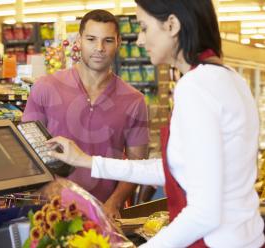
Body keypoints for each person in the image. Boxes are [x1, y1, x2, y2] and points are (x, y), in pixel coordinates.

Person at [46, 0, 265, 247]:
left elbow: (204, 214)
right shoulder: (229, 78)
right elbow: (177, 169)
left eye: (144, 27)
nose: (139, 40)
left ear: (171, 25)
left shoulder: (196, 87)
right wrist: (84, 160)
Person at [22, 10, 149, 218]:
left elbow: (137, 166)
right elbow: (27, 152)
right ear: (79, 40)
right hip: (51, 213)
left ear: (118, 42)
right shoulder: (45, 87)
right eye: (91, 39)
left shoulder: (134, 100)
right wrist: (48, 191)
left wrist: (113, 203)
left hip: (105, 214)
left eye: (108, 40)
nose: (99, 48)